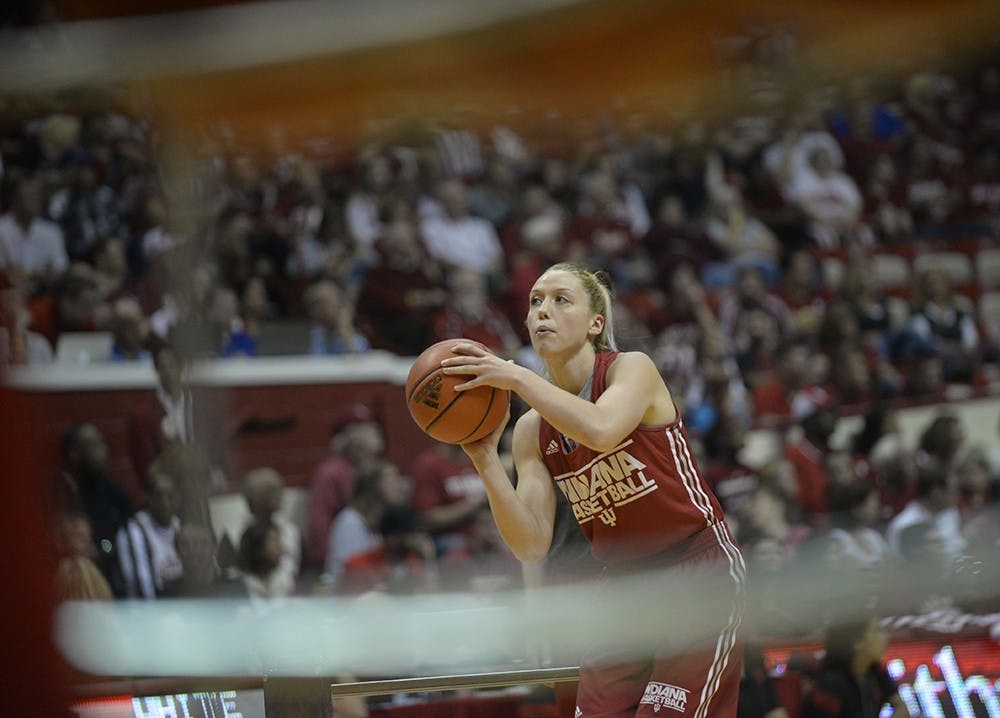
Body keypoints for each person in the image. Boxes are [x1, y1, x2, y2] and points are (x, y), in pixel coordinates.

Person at [441, 262, 746, 718]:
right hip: (620, 588)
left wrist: (516, 376)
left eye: (561, 300)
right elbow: (530, 544)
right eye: (535, 302)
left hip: (694, 571)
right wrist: (484, 457)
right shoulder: (530, 431)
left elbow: (601, 430)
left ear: (595, 323)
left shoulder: (631, 370)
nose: (543, 310)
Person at [802, 616, 910, 718]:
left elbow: (902, 708)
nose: (885, 637)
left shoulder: (875, 672)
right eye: (877, 631)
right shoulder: (830, 683)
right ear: (858, 642)